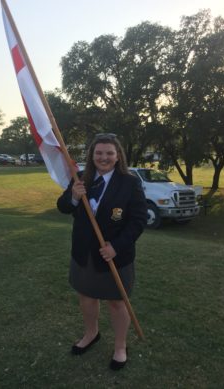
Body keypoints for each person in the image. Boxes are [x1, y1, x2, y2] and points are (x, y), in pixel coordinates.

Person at [57, 134, 147, 370]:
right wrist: (74, 197)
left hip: (115, 256)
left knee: (117, 303)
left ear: (118, 156)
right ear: (92, 155)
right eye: (99, 153)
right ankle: (91, 333)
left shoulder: (130, 182)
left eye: (109, 153)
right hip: (83, 253)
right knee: (87, 297)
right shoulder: (80, 178)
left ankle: (120, 346)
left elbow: (138, 221)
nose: (103, 158)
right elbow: (63, 207)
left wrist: (116, 247)